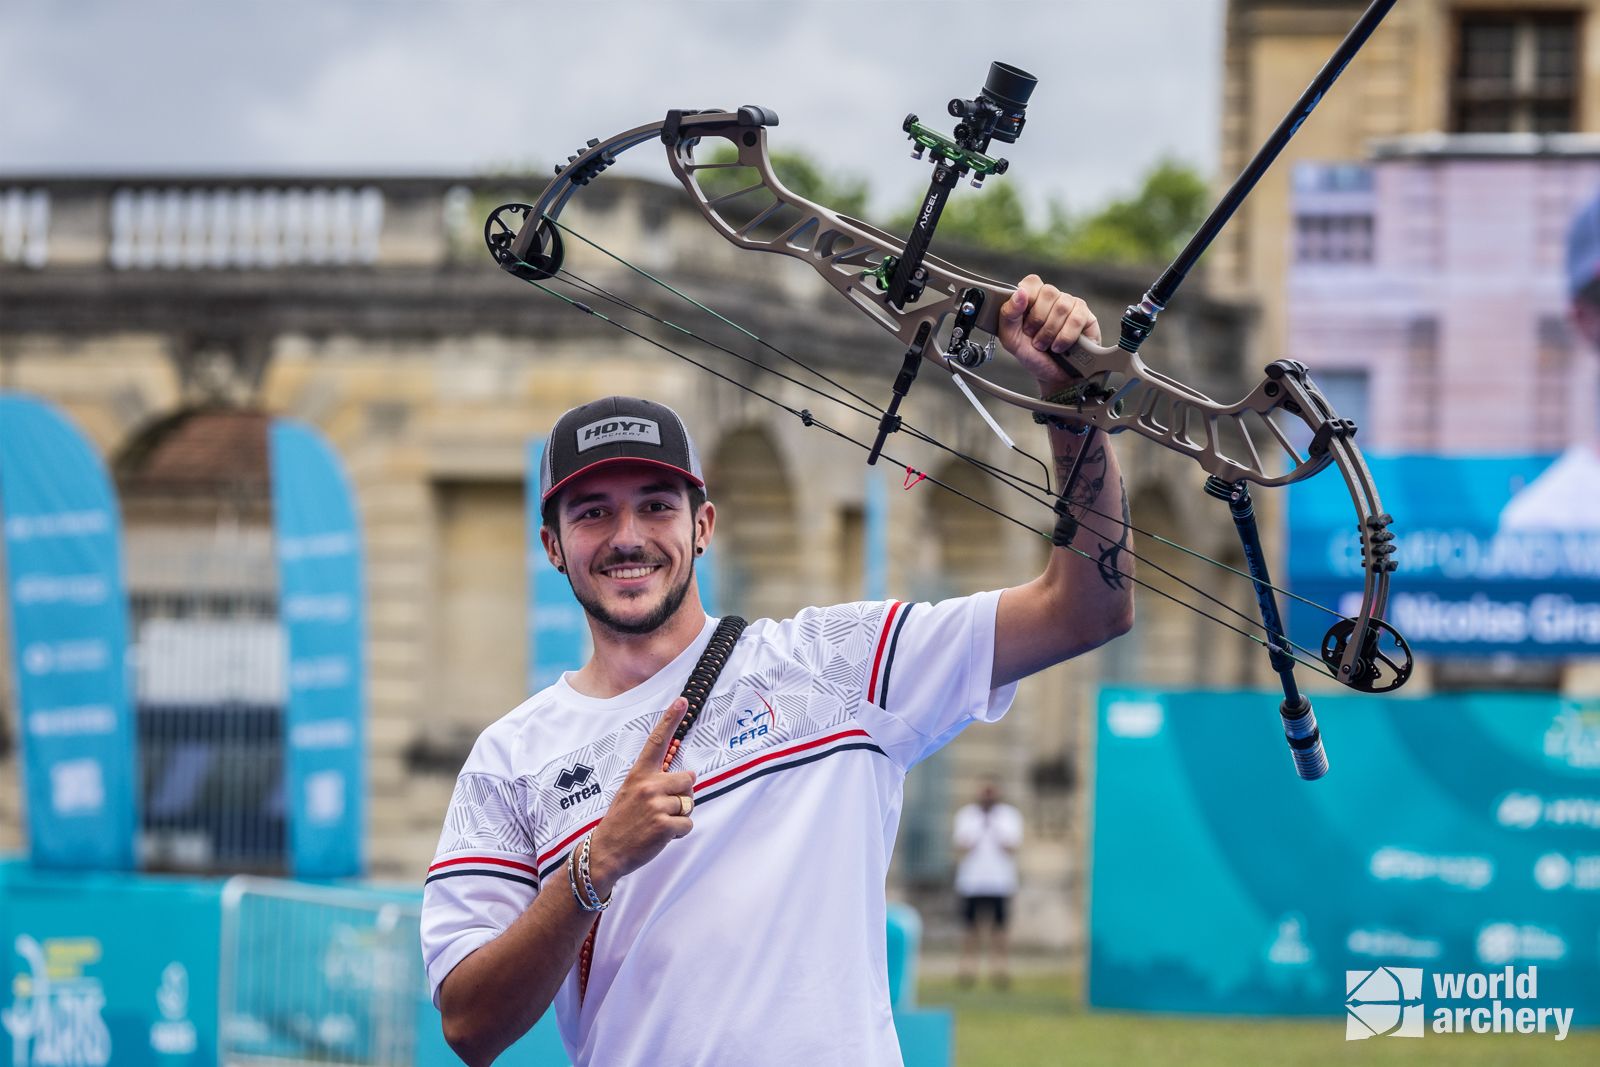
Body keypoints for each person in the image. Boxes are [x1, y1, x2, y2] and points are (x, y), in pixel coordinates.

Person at [422, 276, 1134, 1067]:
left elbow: (1088, 607)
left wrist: (1070, 402)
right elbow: (468, 1023)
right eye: (592, 512)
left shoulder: (836, 661)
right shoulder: (509, 757)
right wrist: (595, 865)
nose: (627, 535)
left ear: (703, 525)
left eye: (656, 505)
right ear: (553, 544)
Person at [952, 781, 1023, 988]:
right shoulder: (966, 815)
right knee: (969, 928)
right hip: (972, 881)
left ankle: (1000, 971)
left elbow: (1012, 846)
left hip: (1000, 881)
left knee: (1000, 930)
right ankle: (967, 970)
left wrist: (994, 827)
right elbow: (961, 845)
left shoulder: (1010, 816)